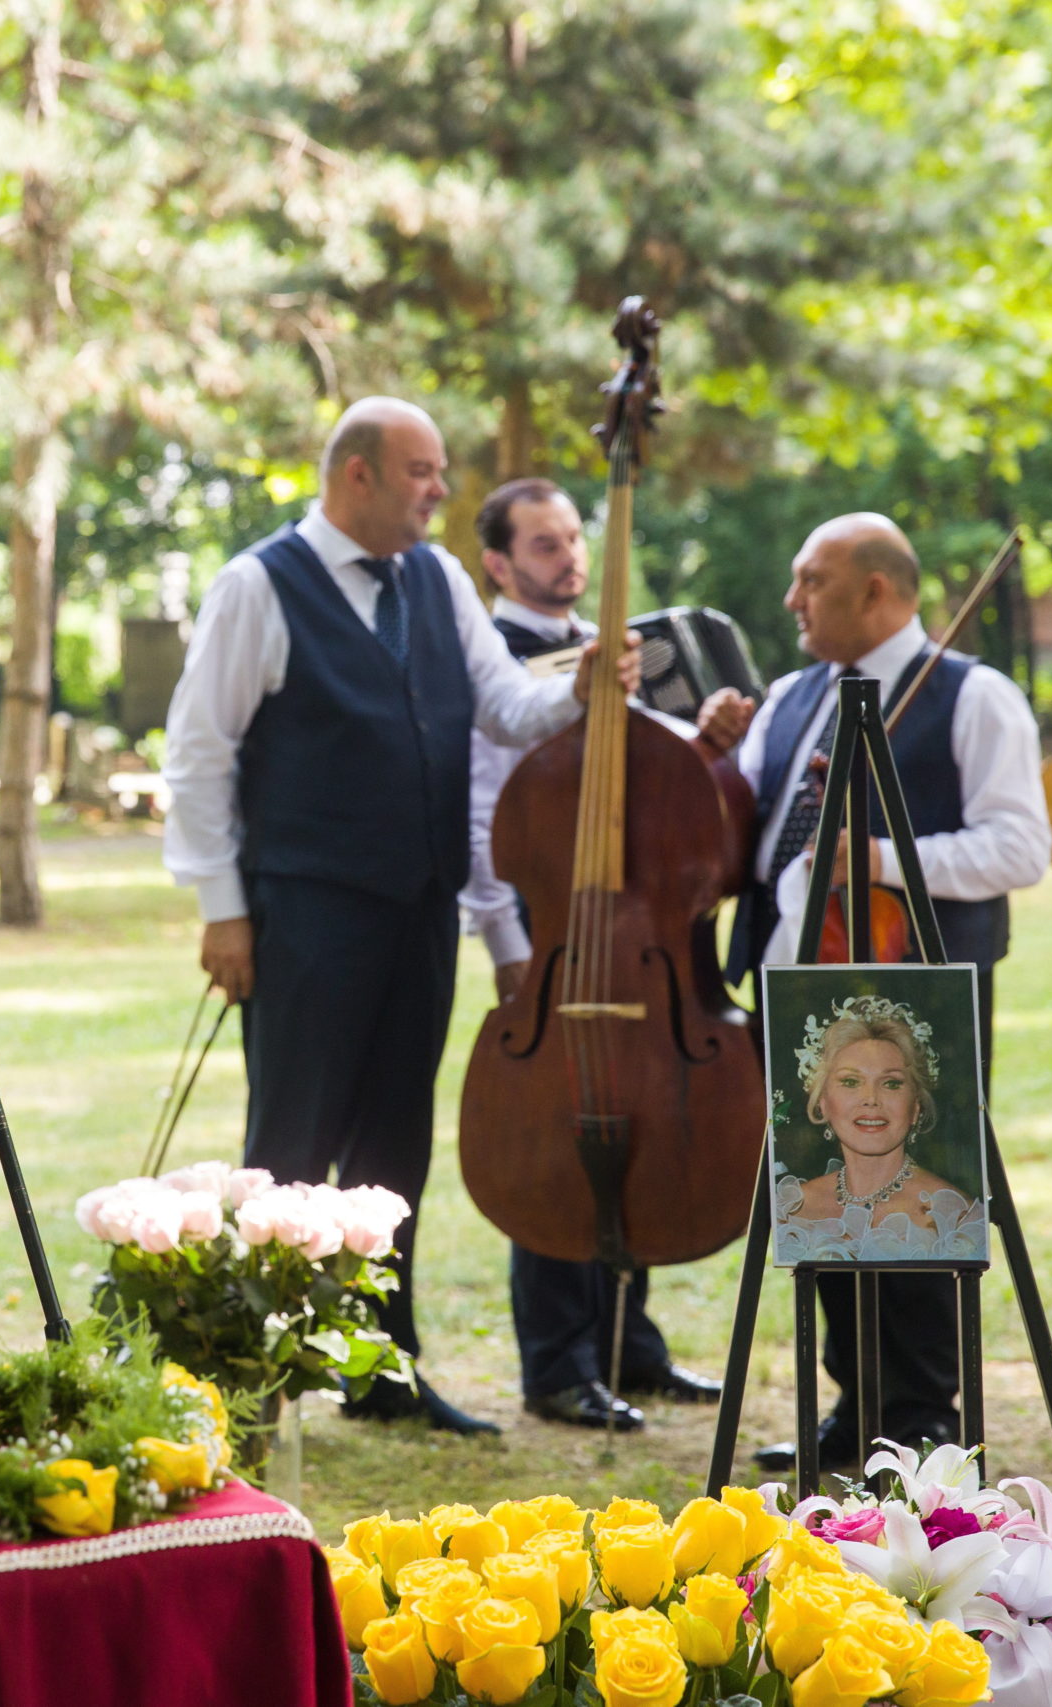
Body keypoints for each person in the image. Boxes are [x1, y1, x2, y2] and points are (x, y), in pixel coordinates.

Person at [160, 401, 633, 1435]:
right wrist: (222, 910)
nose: (438, 490)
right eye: (421, 472)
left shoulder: (437, 581)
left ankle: (385, 1373)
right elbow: (197, 754)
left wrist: (583, 693)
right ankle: (253, 1385)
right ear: (357, 474)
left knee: (393, 1150)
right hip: (304, 909)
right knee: (289, 1143)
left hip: (416, 909)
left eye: (442, 470)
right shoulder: (258, 585)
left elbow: (504, 706)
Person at [697, 512, 1049, 1468]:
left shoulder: (976, 697)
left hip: (912, 992)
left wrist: (881, 858)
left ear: (878, 592)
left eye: (811, 581)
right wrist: (709, 754)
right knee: (819, 1193)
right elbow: (760, 829)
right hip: (793, 975)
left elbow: (1021, 845)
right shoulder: (790, 696)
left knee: (916, 1194)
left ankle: (924, 1407)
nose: (791, 601)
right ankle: (854, 1403)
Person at [459, 476, 722, 1432]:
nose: (569, 558)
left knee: (639, 1110)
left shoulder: (608, 654)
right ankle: (559, 1361)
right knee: (554, 1138)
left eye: (574, 539)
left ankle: (631, 1344)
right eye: (543, 545)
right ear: (497, 561)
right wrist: (508, 942)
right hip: (552, 942)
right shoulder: (491, 660)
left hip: (632, 940)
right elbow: (487, 811)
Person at [772, 996, 985, 1263]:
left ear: (916, 1107)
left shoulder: (956, 1218)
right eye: (850, 1081)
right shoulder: (790, 1207)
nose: (871, 1098)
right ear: (823, 1103)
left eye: (891, 1084)